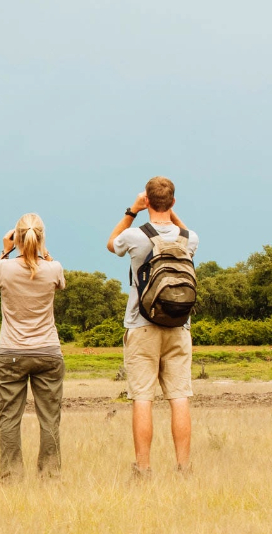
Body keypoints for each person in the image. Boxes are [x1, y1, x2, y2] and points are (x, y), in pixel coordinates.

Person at [107, 176, 198, 478]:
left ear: (146, 201)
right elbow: (183, 230)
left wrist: (132, 211)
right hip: (179, 327)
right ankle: (183, 468)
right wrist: (169, 212)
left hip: (141, 325)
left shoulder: (134, 236)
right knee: (179, 398)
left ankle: (143, 469)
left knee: (142, 399)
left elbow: (111, 244)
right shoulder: (189, 238)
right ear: (173, 203)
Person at [0, 213, 66, 481]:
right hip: (48, 352)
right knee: (50, 418)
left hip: (11, 353)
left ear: (16, 237)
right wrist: (43, 252)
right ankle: (50, 476)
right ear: (41, 238)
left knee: (9, 418)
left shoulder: (4, 268)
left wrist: (5, 251)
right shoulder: (54, 268)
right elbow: (60, 283)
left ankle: (10, 476)